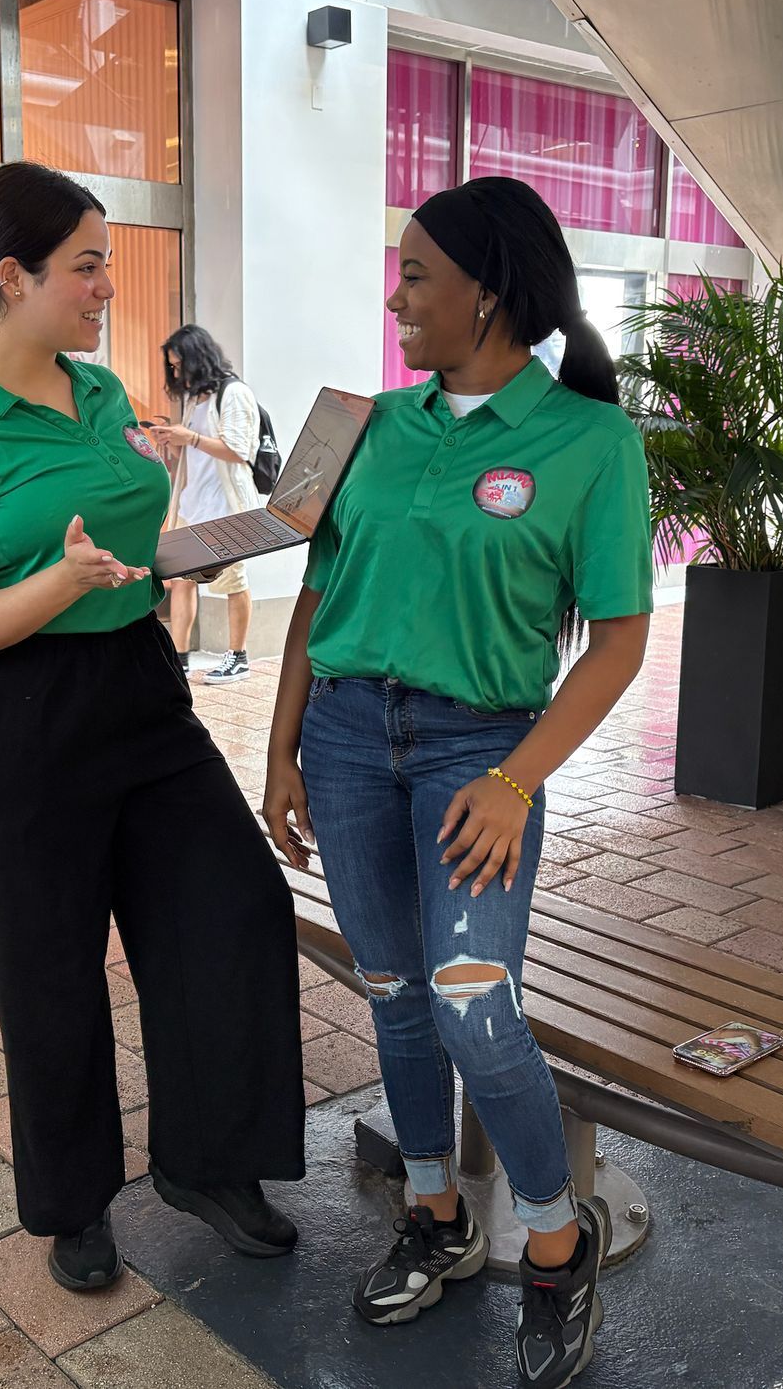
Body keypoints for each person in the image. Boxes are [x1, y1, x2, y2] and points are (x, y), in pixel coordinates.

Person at [263, 175, 653, 1388]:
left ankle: (553, 1242)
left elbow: (622, 638)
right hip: (343, 735)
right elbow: (317, 598)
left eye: (417, 274)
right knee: (389, 988)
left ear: (489, 292)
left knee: (474, 1002)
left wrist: (516, 781)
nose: (396, 296)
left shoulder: (592, 441)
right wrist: (279, 749)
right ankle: (434, 1214)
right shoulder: (368, 423)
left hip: (474, 749)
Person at [0, 161, 306, 1292]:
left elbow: (131, 534)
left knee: (230, 904)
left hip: (141, 685)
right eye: (87, 266)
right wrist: (62, 583)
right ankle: (77, 1203)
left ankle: (208, 1162)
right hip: (24, 714)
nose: (107, 286)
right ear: (13, 276)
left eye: (106, 264)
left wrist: (191, 539)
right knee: (52, 971)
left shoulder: (105, 396)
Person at [149, 325, 260, 683]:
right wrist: (175, 441)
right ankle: (179, 660)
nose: (177, 373)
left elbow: (238, 450)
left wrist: (190, 437)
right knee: (181, 581)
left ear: (198, 358)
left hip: (224, 509)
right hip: (192, 505)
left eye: (180, 364)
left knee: (232, 581)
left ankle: (237, 656)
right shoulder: (196, 400)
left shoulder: (234, 392)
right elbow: (198, 453)